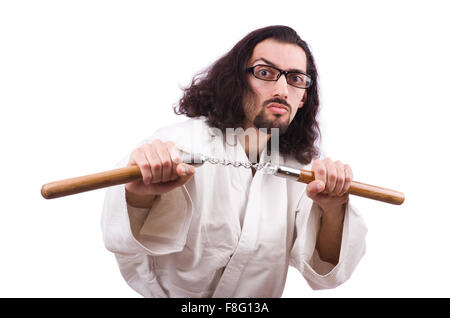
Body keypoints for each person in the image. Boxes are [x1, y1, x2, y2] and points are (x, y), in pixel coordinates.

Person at [101, 25, 367, 297]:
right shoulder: (180, 144)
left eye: (296, 79)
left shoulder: (302, 172)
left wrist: (334, 207)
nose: (282, 89)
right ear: (237, 81)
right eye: (265, 73)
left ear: (303, 98)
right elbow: (122, 238)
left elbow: (325, 271)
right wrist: (138, 192)